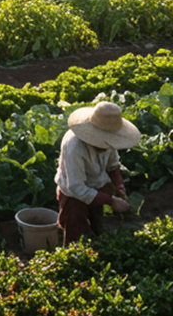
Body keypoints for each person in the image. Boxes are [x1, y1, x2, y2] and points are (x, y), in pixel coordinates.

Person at [54, 101, 140, 245]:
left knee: (97, 227)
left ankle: (97, 248)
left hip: (97, 188)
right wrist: (111, 201)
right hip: (73, 194)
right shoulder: (74, 146)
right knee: (76, 232)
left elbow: (113, 165)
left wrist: (119, 187)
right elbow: (76, 187)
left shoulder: (110, 140)